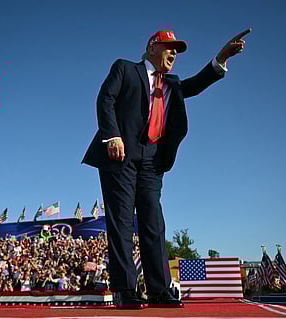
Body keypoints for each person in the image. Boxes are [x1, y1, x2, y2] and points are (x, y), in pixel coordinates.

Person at [82, 29, 250, 309]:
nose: (174, 53)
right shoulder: (125, 68)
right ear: (152, 47)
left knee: (153, 222)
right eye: (169, 47)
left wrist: (221, 58)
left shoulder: (171, 84)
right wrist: (112, 135)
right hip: (119, 153)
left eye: (177, 50)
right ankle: (126, 289)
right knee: (122, 221)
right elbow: (106, 99)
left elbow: (195, 84)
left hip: (152, 160)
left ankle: (159, 290)